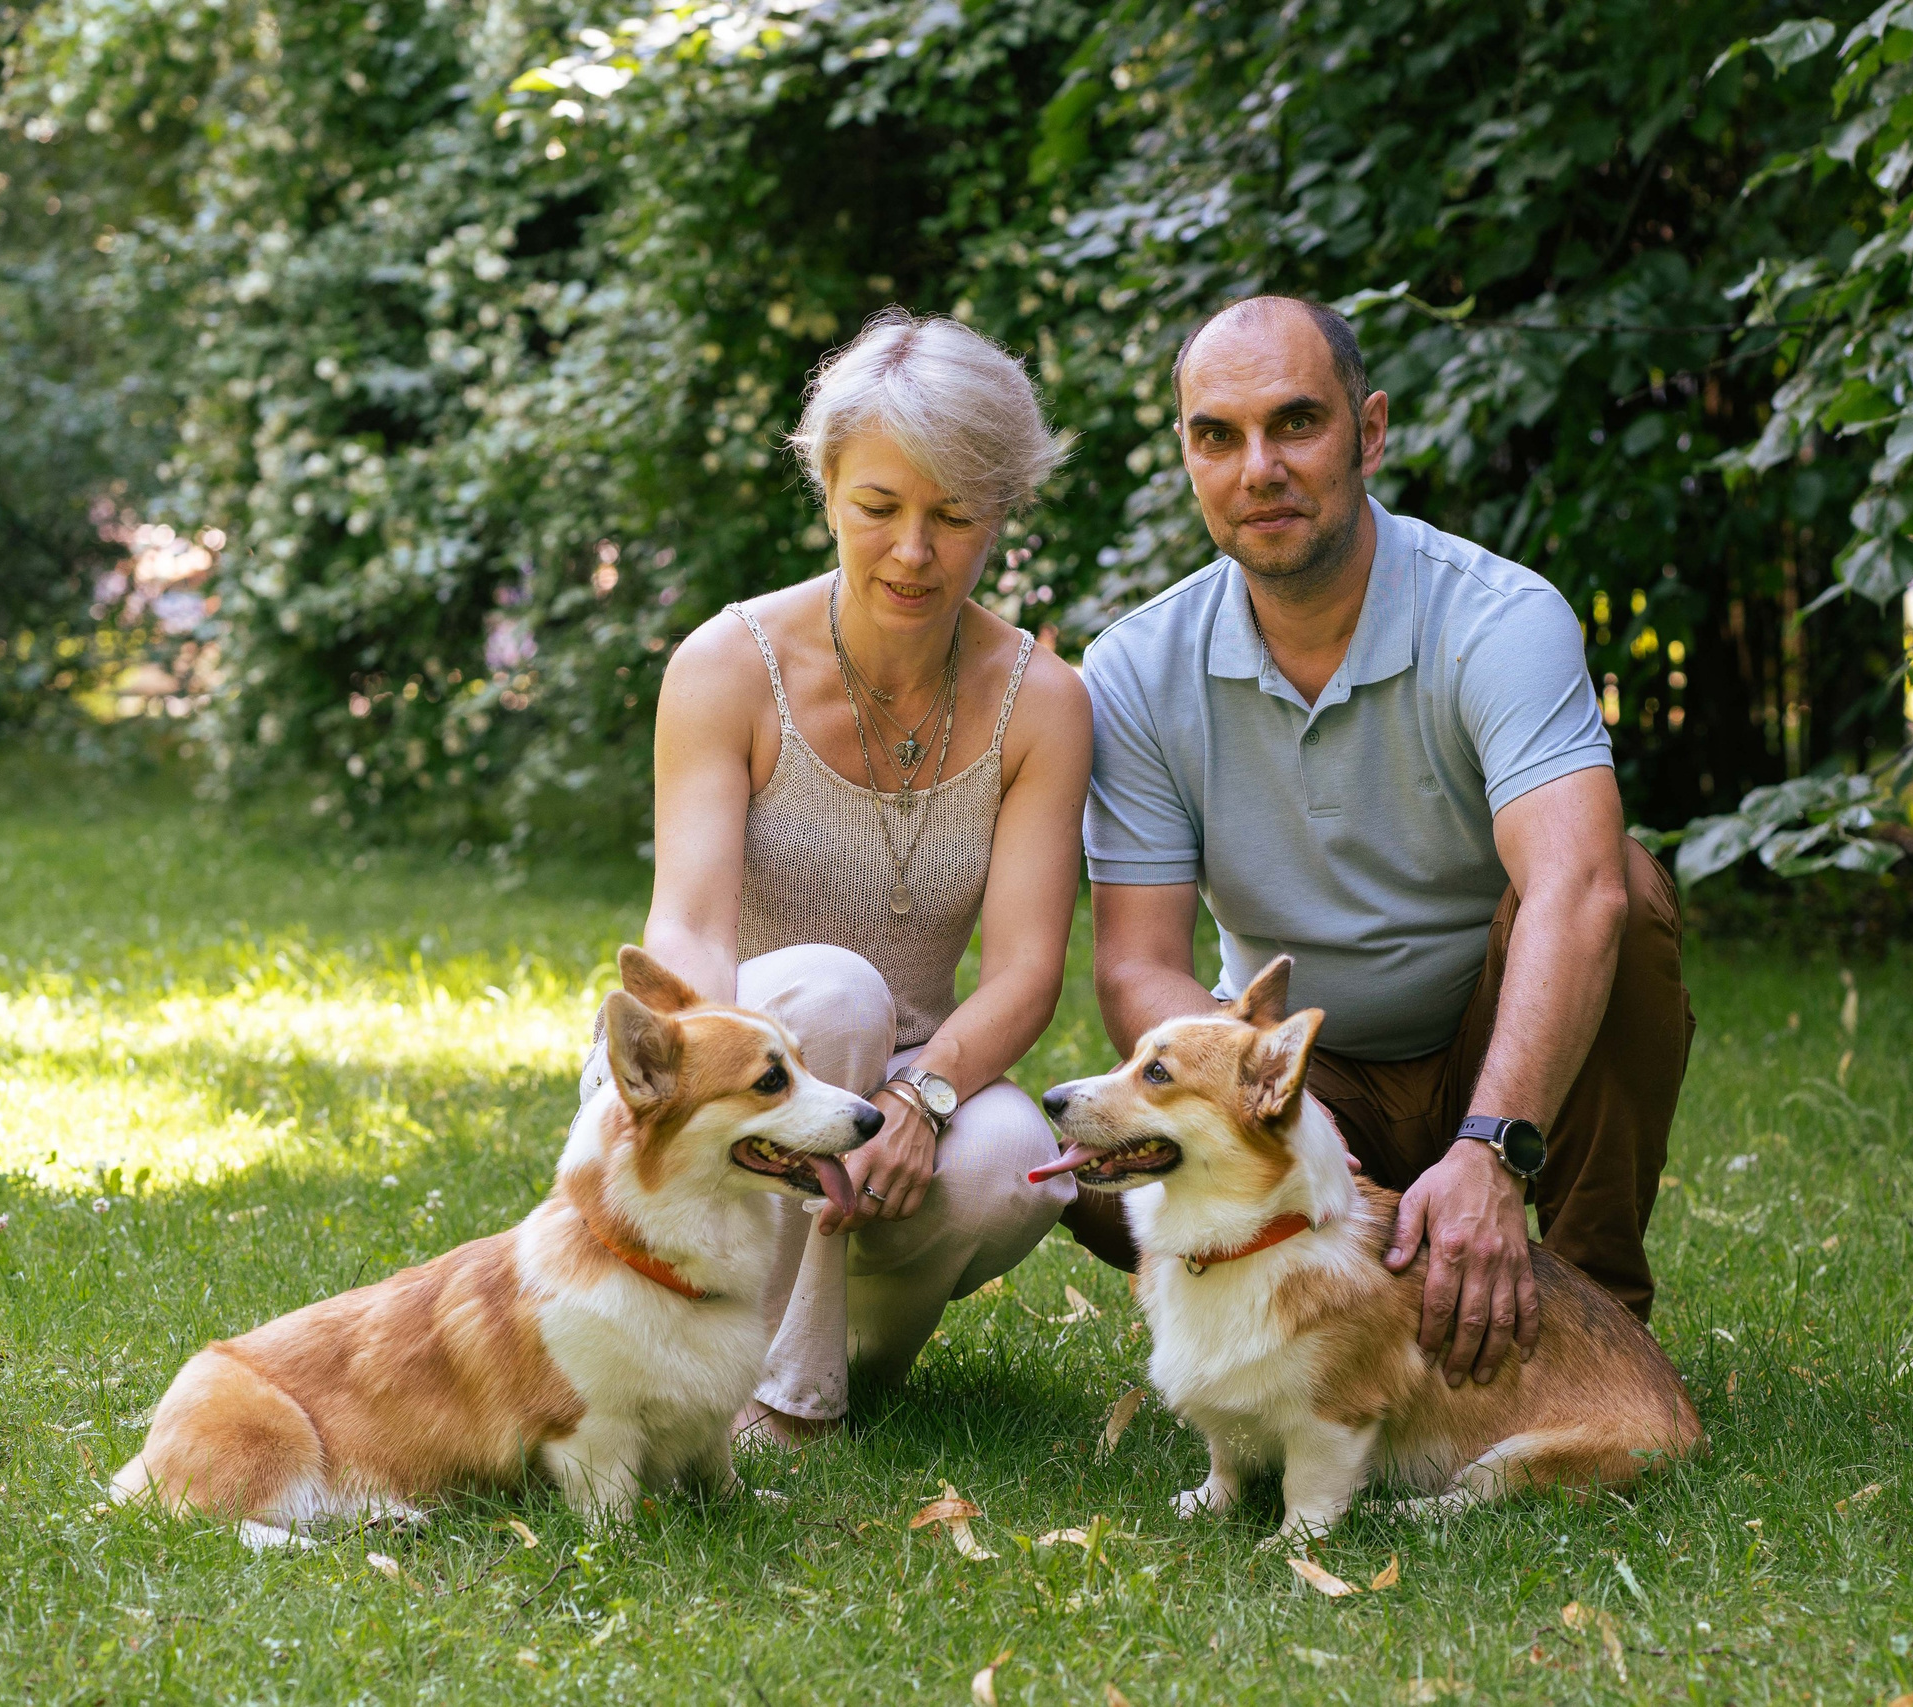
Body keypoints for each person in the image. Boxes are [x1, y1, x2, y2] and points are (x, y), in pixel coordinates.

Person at [1071, 295, 1694, 1388]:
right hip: (1302, 1083)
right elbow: (1138, 961)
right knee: (1078, 1166)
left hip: (1490, 1058)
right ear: (1187, 456)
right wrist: (1287, 1124)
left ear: (1370, 431)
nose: (1257, 466)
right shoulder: (1133, 667)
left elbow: (1576, 890)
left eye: (1296, 423)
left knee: (1629, 895)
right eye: (1217, 436)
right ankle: (1306, 1320)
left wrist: (1492, 1148)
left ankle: (1594, 1313)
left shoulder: (1500, 618)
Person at [586, 307, 1093, 1444]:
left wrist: (926, 1096)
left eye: (954, 516)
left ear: (1002, 511)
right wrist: (684, 1086)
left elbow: (1022, 973)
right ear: (826, 491)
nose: (913, 551)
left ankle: (848, 1364)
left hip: (904, 1080)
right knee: (836, 992)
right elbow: (691, 930)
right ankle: (772, 1406)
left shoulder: (1043, 703)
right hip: (732, 1064)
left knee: (1017, 1161)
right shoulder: (728, 664)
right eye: (879, 508)